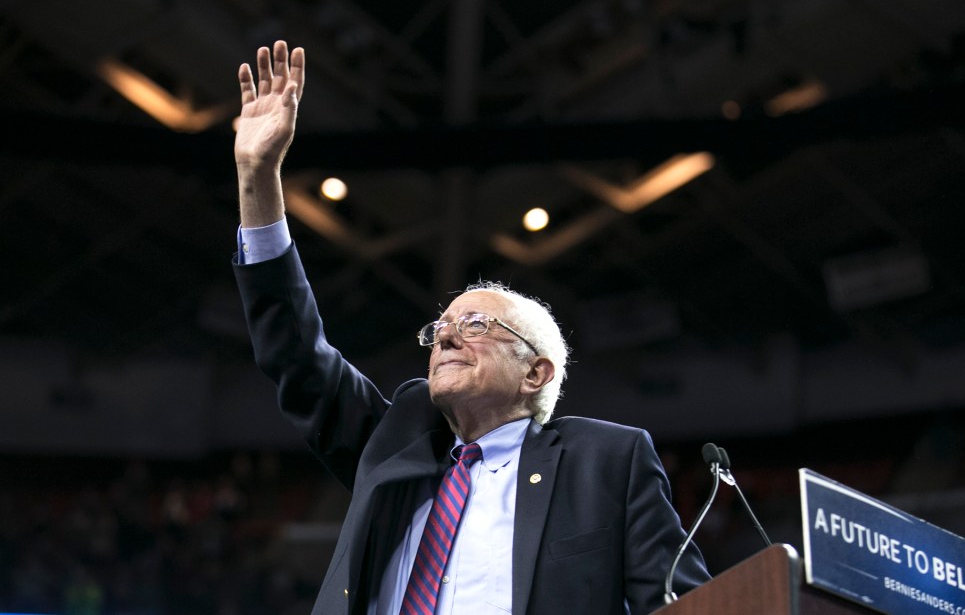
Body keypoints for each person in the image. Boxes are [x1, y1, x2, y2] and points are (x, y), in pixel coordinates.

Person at [231, 40, 711, 615]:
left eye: (476, 324)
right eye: (440, 328)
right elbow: (297, 356)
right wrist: (257, 177)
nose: (447, 337)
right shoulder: (395, 443)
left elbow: (685, 604)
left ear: (536, 371)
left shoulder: (608, 462)